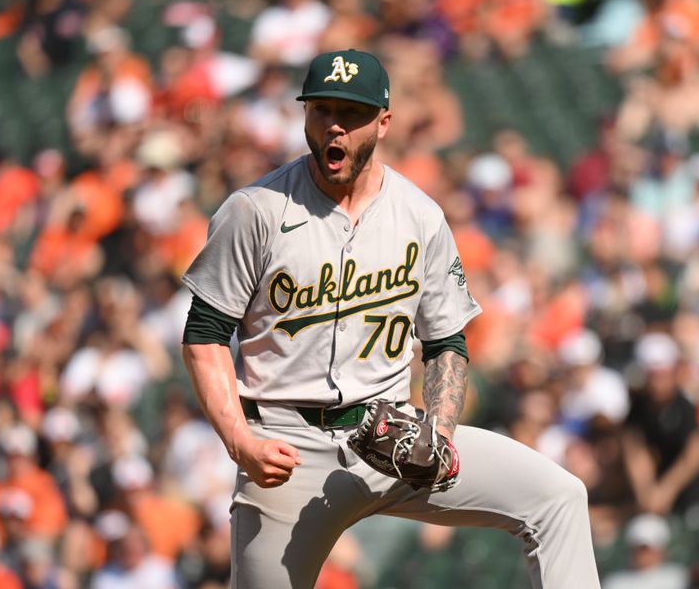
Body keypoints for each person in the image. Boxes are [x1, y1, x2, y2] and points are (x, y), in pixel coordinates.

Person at [181, 48, 601, 588]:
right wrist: (241, 442)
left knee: (559, 498)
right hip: (288, 446)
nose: (334, 125)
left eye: (351, 114)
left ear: (383, 123)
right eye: (321, 109)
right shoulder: (256, 210)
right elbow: (205, 335)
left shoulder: (419, 214)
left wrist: (440, 433)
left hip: (392, 434)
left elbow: (447, 341)